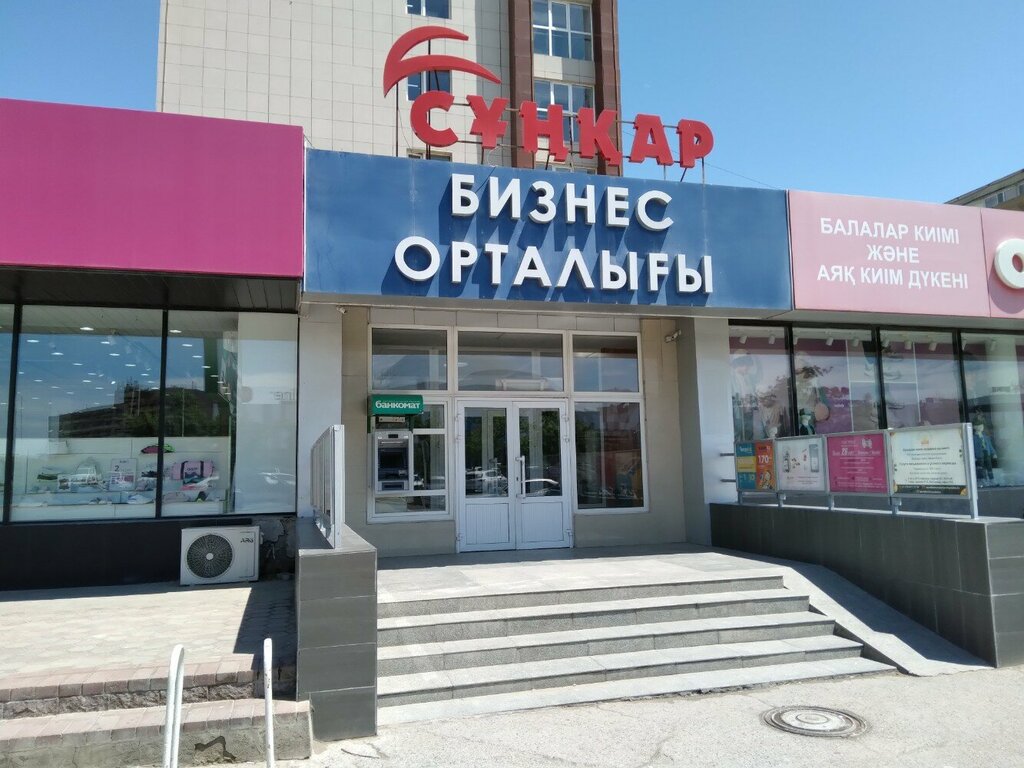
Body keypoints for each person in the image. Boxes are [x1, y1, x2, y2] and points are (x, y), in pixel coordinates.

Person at [972, 416, 997, 485]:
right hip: (979, 454)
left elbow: (989, 445)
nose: (980, 427)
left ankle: (991, 479)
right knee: (980, 467)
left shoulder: (985, 436)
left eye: (981, 426)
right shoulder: (973, 438)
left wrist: (993, 453)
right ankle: (981, 479)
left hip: (986, 453)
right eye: (978, 426)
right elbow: (972, 447)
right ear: (974, 427)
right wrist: (973, 456)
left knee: (989, 466)